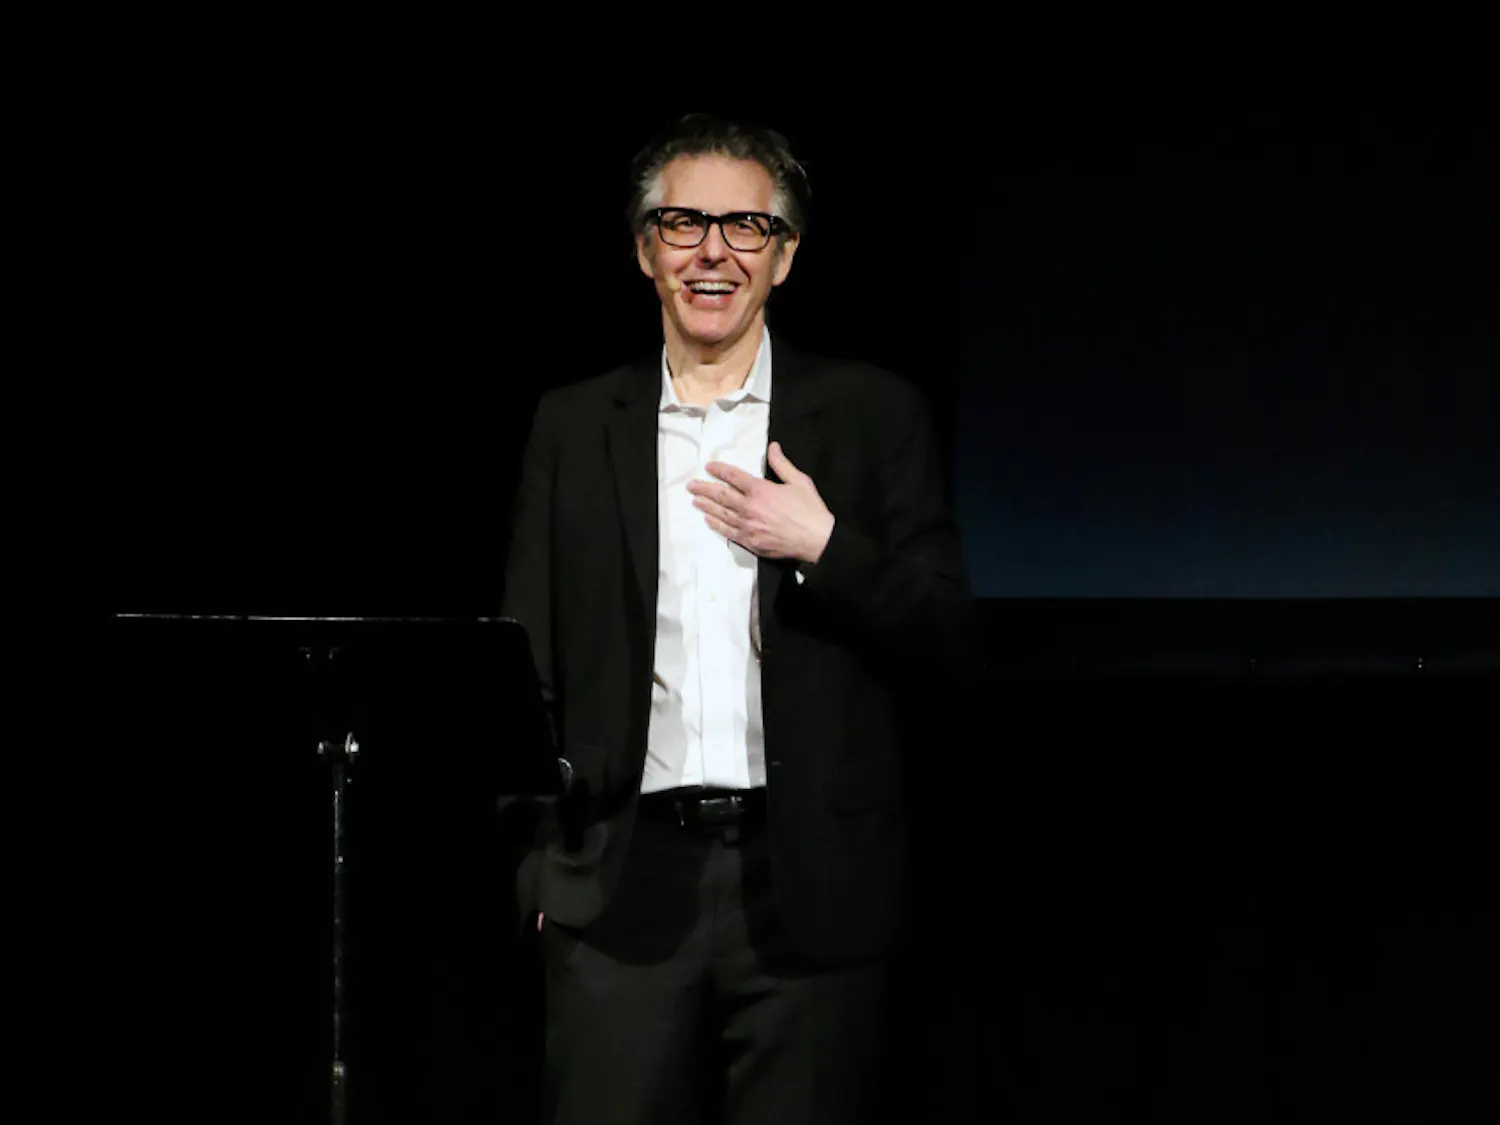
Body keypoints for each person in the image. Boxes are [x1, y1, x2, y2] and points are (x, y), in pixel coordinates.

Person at [502, 112, 975, 1125]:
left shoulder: (871, 415)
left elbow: (949, 637)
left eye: (745, 228)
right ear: (644, 249)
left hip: (805, 883)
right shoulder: (575, 425)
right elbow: (527, 665)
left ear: (786, 254)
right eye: (682, 223)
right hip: (619, 885)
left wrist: (824, 547)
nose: (713, 252)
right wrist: (546, 864)